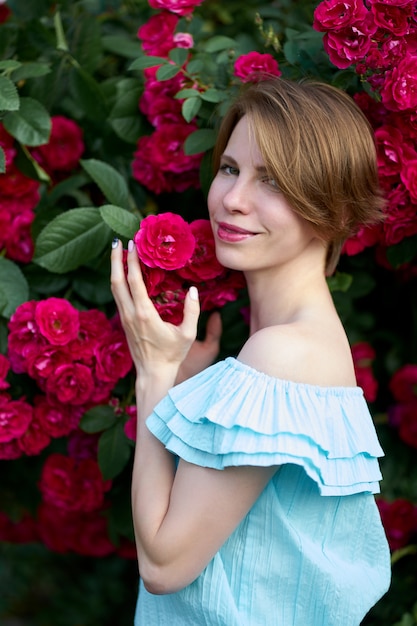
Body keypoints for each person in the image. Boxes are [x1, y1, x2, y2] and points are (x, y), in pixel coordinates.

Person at [110, 77, 391, 626]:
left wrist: (154, 376)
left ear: (330, 206)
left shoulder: (284, 355)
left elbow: (164, 565)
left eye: (273, 182)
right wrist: (187, 382)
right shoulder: (287, 346)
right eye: (231, 169)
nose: (233, 200)